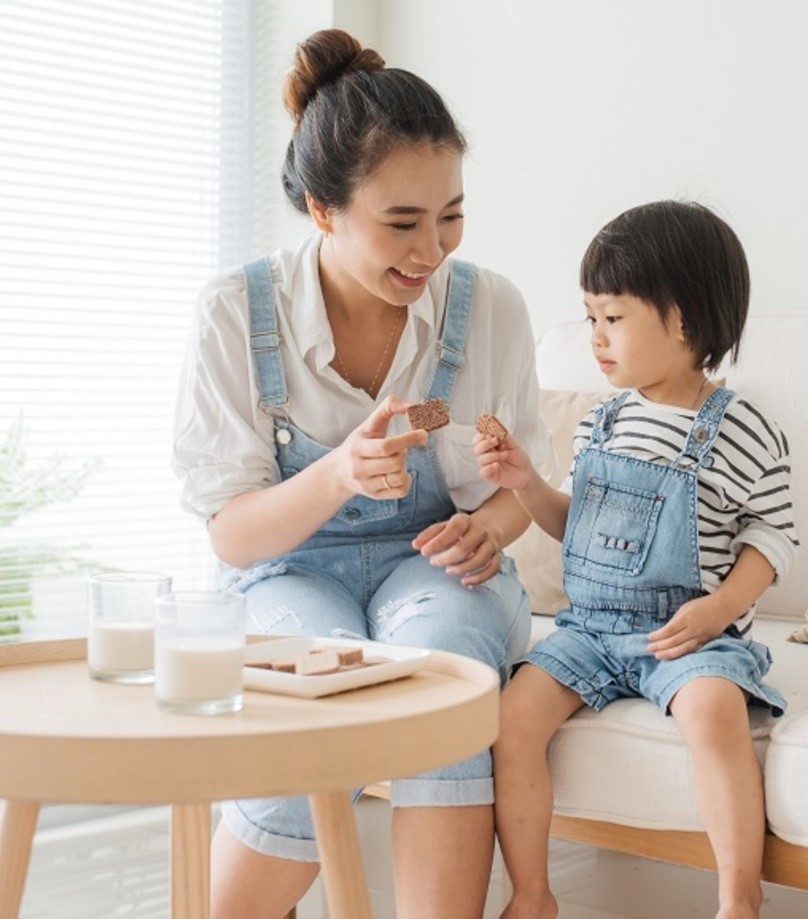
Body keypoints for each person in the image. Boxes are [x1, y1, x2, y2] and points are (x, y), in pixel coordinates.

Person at [171, 28, 549, 919]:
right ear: (322, 209)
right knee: (310, 688)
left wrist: (488, 527)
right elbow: (232, 531)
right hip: (286, 566)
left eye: (450, 214)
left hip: (434, 567)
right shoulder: (235, 313)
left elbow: (515, 491)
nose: (432, 250)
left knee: (444, 667)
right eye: (403, 223)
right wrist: (340, 471)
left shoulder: (489, 305)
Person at [476, 201, 797, 919]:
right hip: (590, 628)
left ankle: (738, 897)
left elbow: (770, 539)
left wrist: (718, 609)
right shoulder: (602, 420)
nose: (595, 337)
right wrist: (526, 484)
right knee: (514, 717)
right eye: (588, 317)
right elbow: (574, 524)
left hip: (685, 633)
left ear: (682, 319)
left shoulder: (741, 425)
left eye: (612, 318)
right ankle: (532, 892)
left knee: (714, 712)